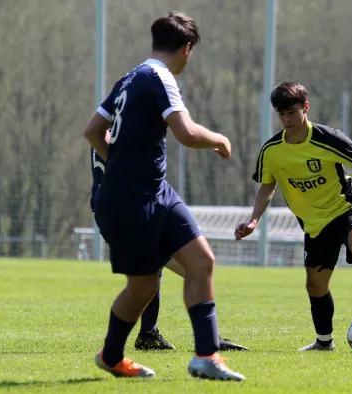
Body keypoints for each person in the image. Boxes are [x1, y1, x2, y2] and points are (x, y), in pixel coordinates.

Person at [83, 11, 244, 380]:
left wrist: (121, 162)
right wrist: (219, 139)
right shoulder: (160, 77)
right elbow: (186, 133)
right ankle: (111, 355)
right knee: (142, 286)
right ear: (187, 48)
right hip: (131, 198)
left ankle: (207, 356)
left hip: (155, 191)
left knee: (201, 261)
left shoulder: (129, 78)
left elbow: (94, 131)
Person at [235, 81, 352, 351]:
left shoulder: (327, 138)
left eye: (292, 112)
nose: (287, 119)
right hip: (314, 225)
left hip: (346, 208)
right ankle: (324, 343)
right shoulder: (272, 150)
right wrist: (254, 220)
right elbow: (267, 185)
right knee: (315, 286)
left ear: (306, 108)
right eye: (281, 114)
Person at [90, 149, 249, 352]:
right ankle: (209, 339)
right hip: (133, 205)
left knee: (153, 273)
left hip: (116, 205)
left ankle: (145, 335)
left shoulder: (107, 124)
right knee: (196, 266)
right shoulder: (128, 126)